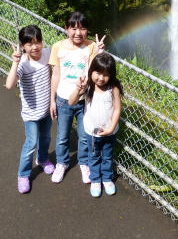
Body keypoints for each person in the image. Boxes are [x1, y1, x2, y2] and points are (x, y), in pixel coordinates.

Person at [49, 11, 106, 184]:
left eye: (82, 28)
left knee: (84, 135)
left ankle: (84, 163)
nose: (78, 33)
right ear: (66, 29)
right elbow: (56, 75)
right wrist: (52, 100)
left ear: (87, 30)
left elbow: (94, 71)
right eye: (73, 28)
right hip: (63, 99)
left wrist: (99, 52)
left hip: (84, 100)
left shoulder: (90, 47)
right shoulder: (58, 47)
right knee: (62, 136)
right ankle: (62, 163)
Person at [6, 25, 54, 194]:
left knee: (46, 137)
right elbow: (10, 85)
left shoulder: (47, 53)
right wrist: (15, 62)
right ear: (23, 46)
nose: (35, 47)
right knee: (31, 143)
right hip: (31, 114)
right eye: (29, 43)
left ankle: (42, 159)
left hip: (46, 109)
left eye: (38, 42)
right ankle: (23, 174)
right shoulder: (23, 63)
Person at [69, 52, 123, 197]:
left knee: (107, 156)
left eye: (105, 75)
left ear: (111, 75)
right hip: (92, 132)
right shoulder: (88, 86)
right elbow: (71, 102)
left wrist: (111, 128)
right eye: (98, 73)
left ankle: (107, 178)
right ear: (91, 71)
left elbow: (117, 108)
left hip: (109, 131)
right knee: (93, 157)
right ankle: (95, 180)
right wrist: (78, 90)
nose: (101, 78)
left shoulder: (114, 88)